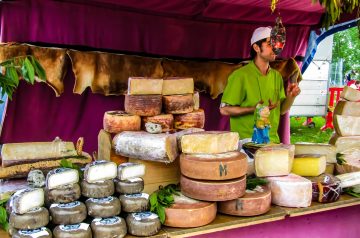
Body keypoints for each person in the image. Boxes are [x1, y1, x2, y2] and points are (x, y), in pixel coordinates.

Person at [219, 26, 301, 143]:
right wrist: (254, 109)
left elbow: (282, 110)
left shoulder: (276, 76)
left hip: (272, 142)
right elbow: (224, 110)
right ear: (256, 47)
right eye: (269, 44)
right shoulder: (240, 75)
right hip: (247, 143)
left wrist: (291, 96)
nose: (275, 48)